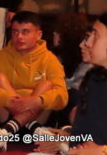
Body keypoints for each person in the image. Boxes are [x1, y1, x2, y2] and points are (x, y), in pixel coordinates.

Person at [0, 11, 68, 154]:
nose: (19, 37)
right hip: (6, 119)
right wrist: (8, 100)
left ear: (38, 35)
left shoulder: (50, 60)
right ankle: (12, 130)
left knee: (47, 85)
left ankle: (5, 133)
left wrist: (38, 101)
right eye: (15, 32)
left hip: (38, 127)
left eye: (25, 32)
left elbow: (63, 96)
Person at [34, 13, 107, 155]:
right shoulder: (94, 80)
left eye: (96, 35)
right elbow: (88, 135)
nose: (87, 43)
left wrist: (102, 151)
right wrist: (68, 140)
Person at [49, 13, 92, 127]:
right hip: (55, 101)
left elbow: (80, 86)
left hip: (72, 103)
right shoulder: (51, 56)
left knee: (72, 95)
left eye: (58, 32)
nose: (54, 34)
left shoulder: (86, 57)